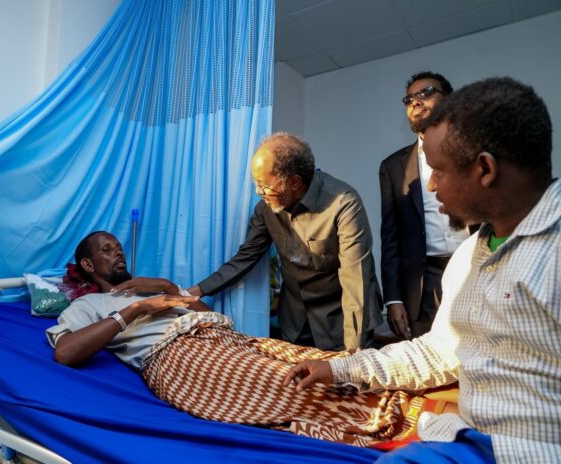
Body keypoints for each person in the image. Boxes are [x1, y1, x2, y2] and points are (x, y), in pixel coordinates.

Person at [284, 77, 560, 463]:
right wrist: (340, 368)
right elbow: (438, 352)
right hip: (471, 438)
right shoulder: (471, 255)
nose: (430, 186)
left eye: (439, 171)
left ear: (485, 169)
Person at [48, 231, 441, 447]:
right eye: (107, 250)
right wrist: (135, 310)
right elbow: (66, 352)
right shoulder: (89, 305)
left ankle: (411, 390)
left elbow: (204, 313)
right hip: (175, 355)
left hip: (221, 336)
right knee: (287, 380)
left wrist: (166, 287)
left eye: (119, 248)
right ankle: (408, 416)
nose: (118, 254)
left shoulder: (149, 287)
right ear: (88, 264)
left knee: (315, 361)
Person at [189, 132, 383, 350]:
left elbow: (355, 282)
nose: (258, 192)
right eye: (255, 183)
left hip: (341, 320)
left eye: (264, 185)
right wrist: (196, 291)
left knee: (346, 371)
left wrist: (354, 354)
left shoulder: (343, 204)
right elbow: (245, 257)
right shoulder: (266, 209)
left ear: (294, 182)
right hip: (295, 322)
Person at [379, 71, 470, 340]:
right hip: (423, 283)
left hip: (474, 268)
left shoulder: (476, 148)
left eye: (426, 93)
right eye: (409, 99)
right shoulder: (393, 167)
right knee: (426, 355)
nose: (416, 101)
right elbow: (391, 236)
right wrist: (393, 298)